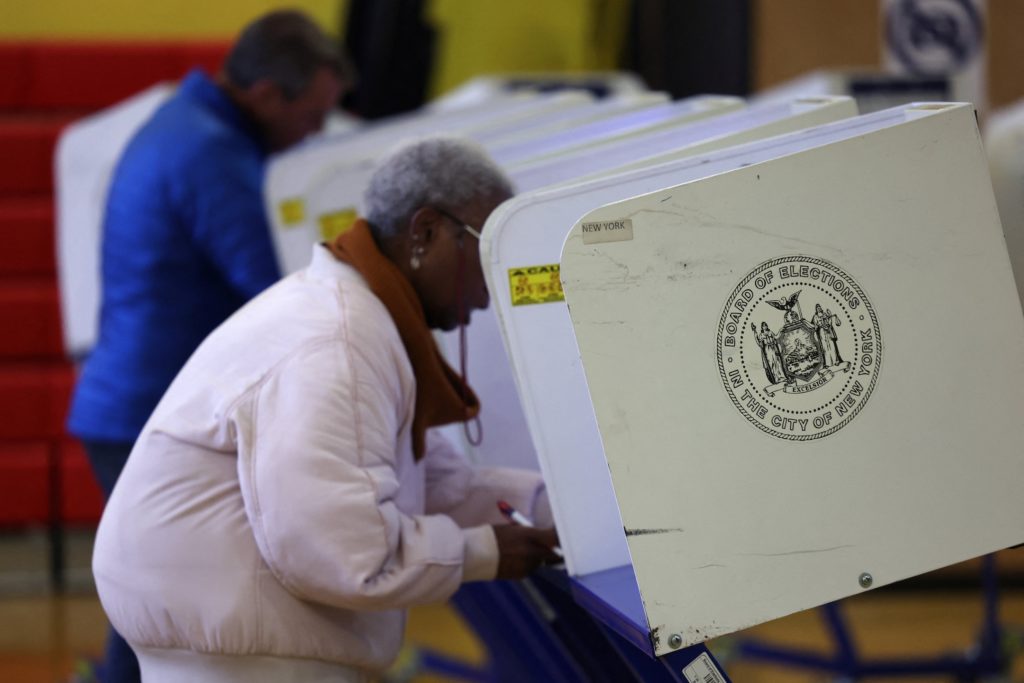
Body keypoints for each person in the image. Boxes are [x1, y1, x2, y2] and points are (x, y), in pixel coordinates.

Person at [92, 137, 560, 682]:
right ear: (426, 232)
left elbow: (436, 485)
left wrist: (567, 514)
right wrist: (485, 551)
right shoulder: (337, 342)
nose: (489, 289)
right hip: (247, 656)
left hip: (238, 637)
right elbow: (345, 554)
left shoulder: (358, 318)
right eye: (485, 249)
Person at [65, 10, 353, 682]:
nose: (314, 134)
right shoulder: (210, 152)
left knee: (153, 604)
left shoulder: (189, 127)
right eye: (312, 115)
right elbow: (274, 291)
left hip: (133, 405)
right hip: (147, 411)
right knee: (164, 606)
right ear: (264, 95)